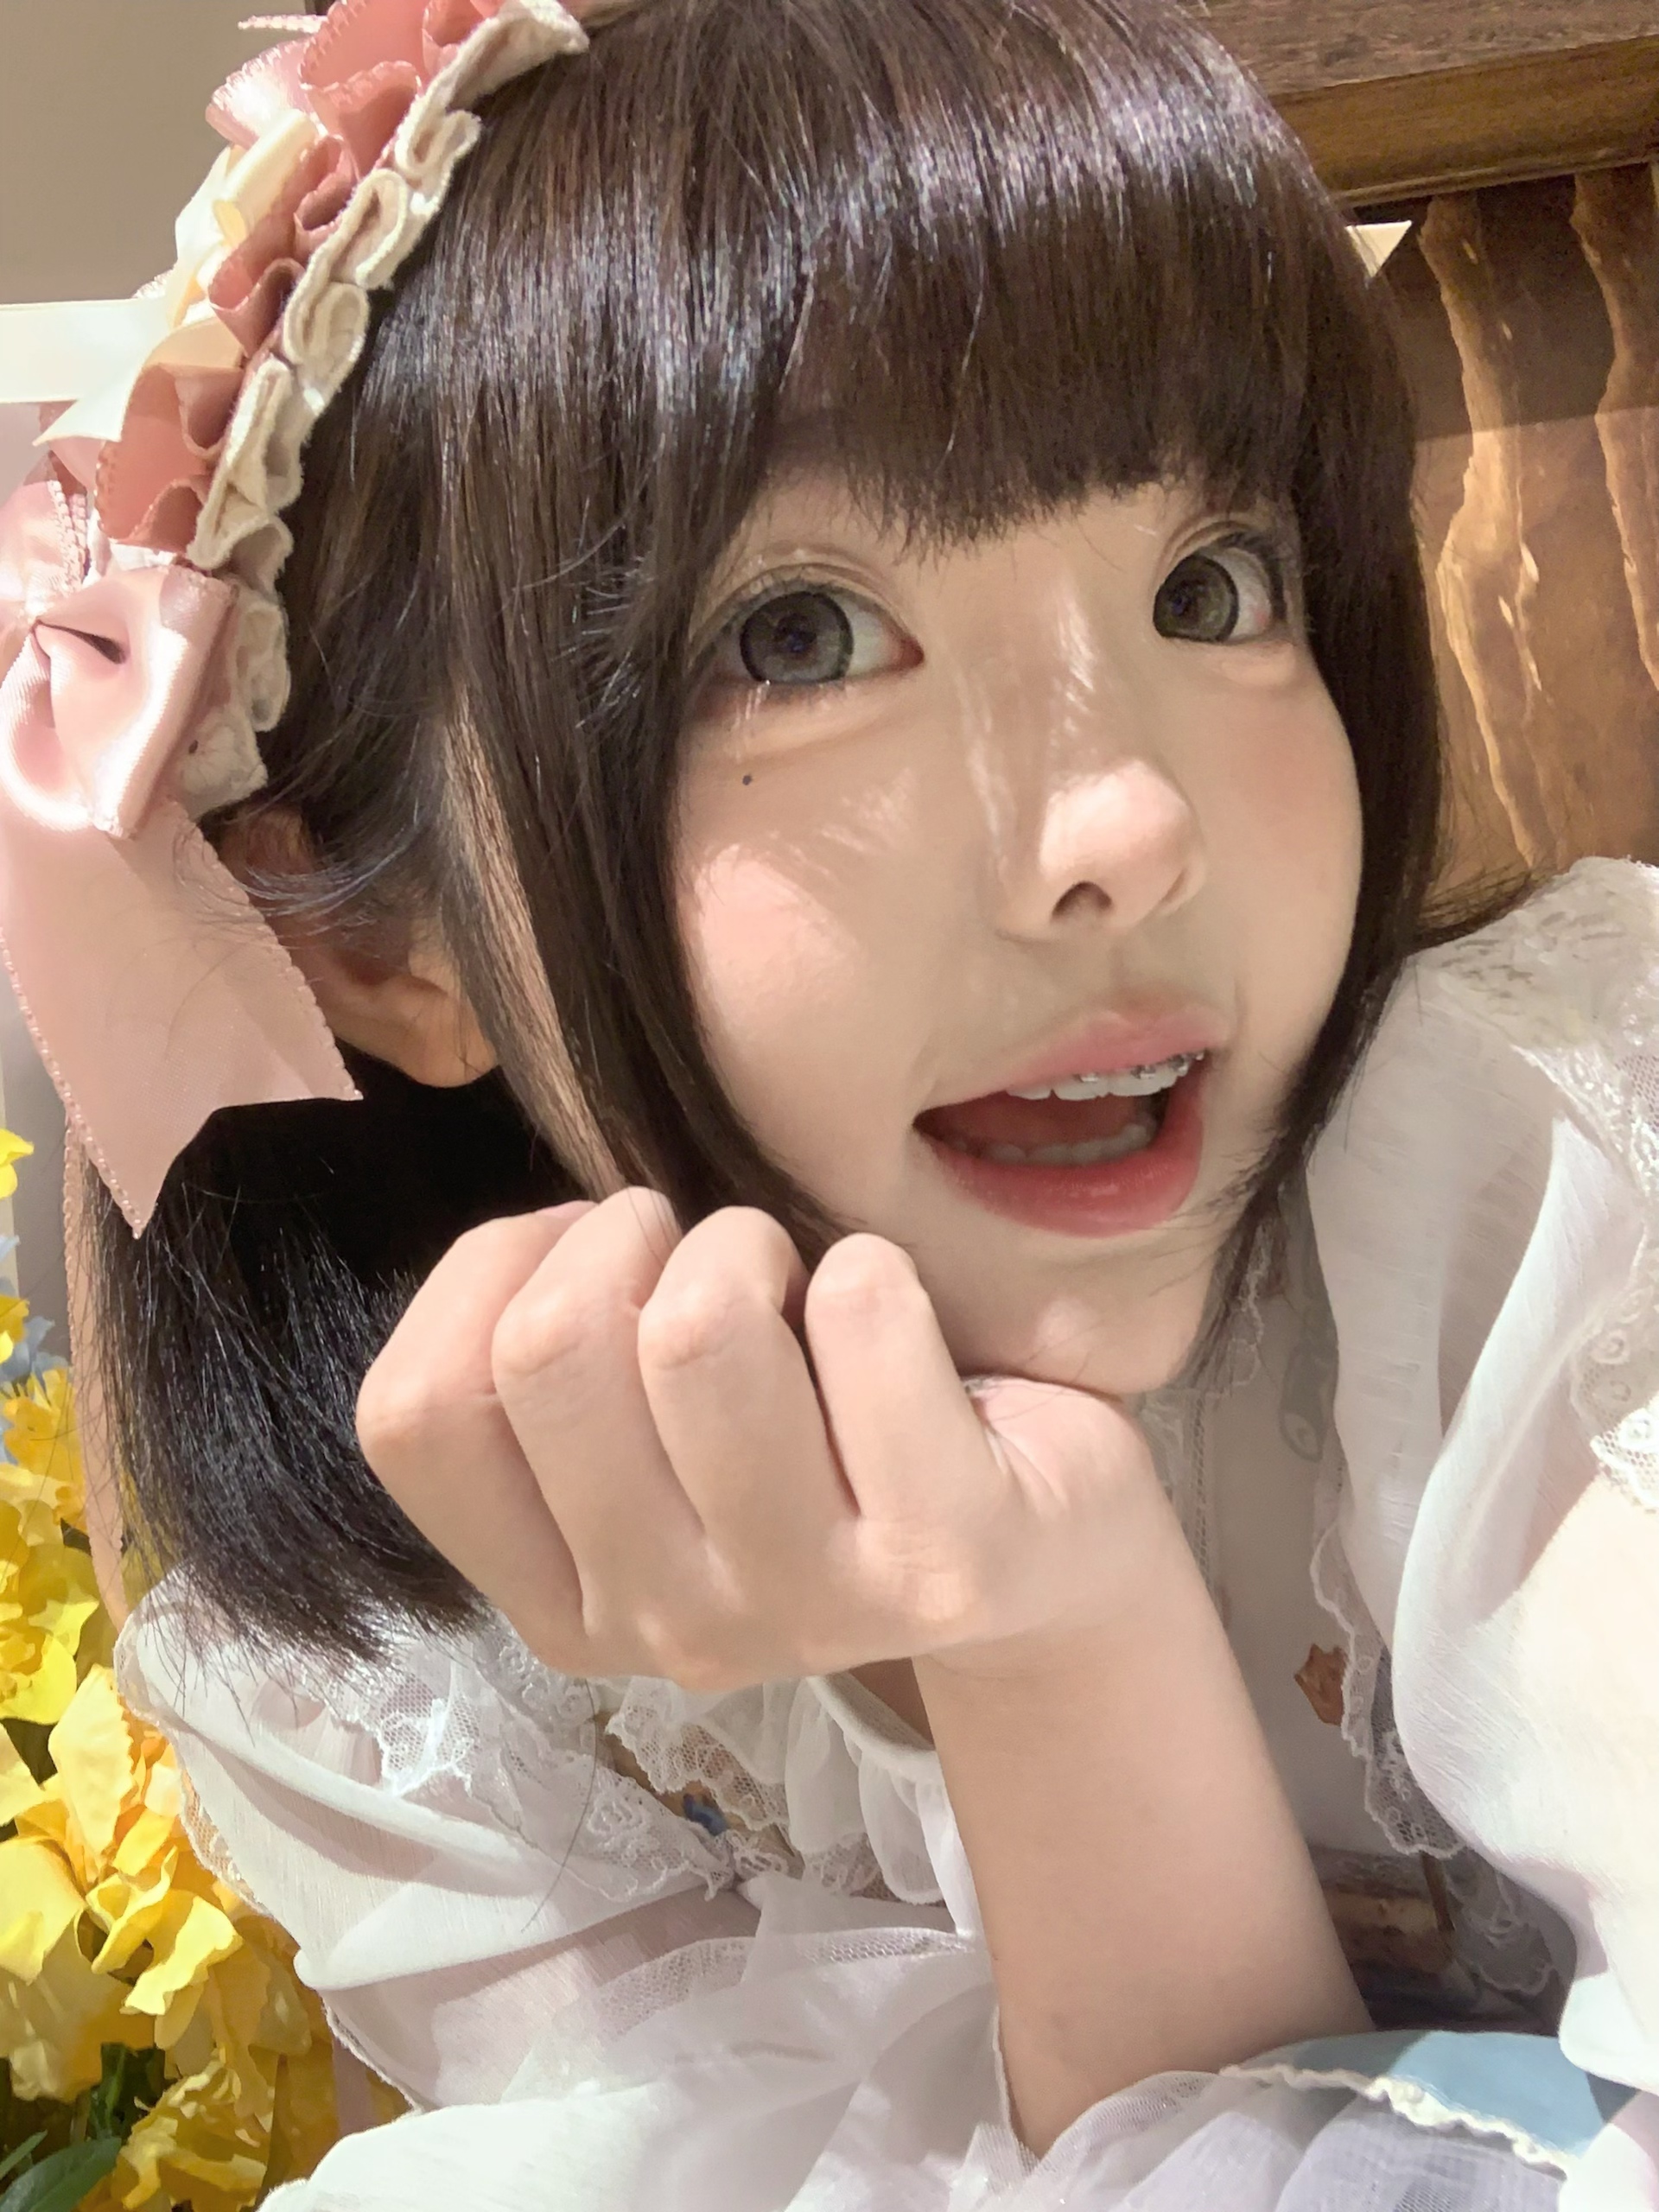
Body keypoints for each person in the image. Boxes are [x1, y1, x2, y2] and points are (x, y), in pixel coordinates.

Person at [3, 0, 1654, 2202]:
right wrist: (1051, 1635)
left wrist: (1058, 1632)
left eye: (1213, 587)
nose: (1131, 825)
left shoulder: (1542, 1214)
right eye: (798, 637)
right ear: (384, 950)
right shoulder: (436, 1672)